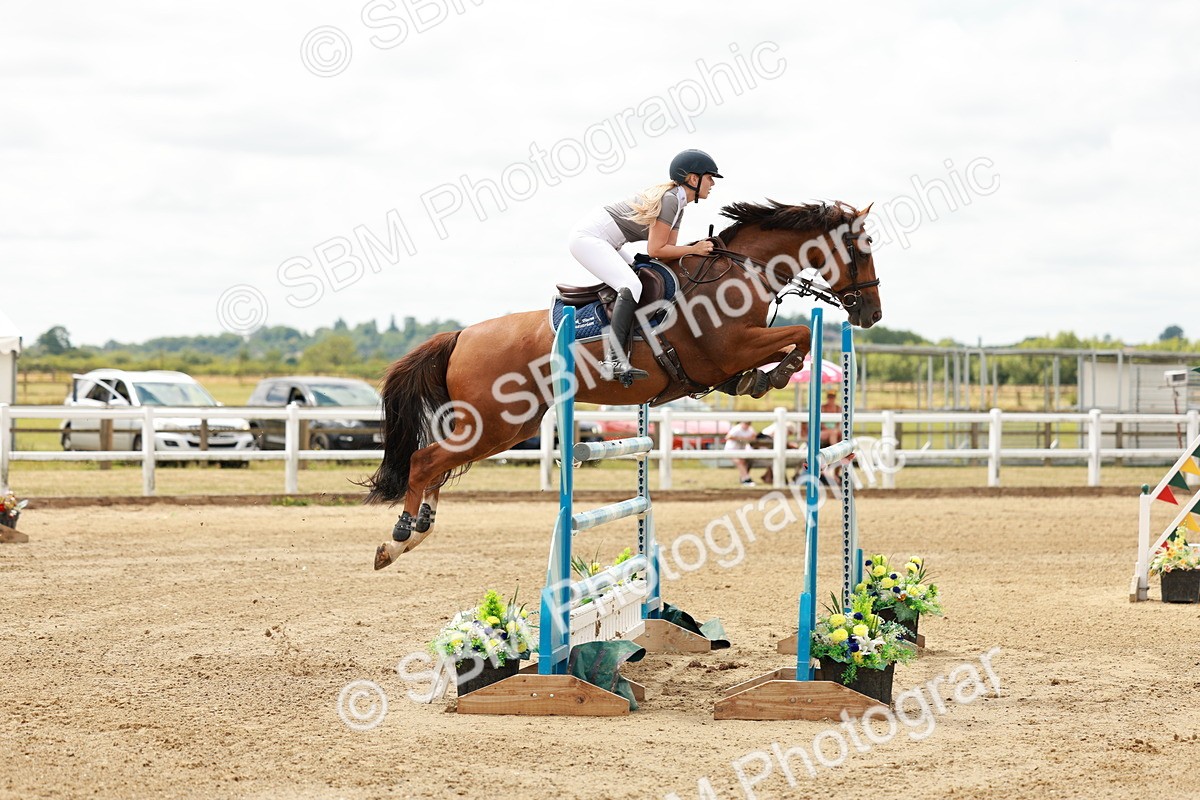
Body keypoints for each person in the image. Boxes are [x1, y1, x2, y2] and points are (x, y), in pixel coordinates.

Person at [567, 149, 723, 383]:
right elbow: (656, 250)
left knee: (642, 277)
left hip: (611, 241)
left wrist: (698, 249)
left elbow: (667, 252)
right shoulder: (670, 200)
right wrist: (694, 249)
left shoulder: (679, 204)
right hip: (590, 238)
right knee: (631, 284)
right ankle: (613, 359)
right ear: (693, 179)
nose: (712, 184)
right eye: (710, 178)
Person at [724, 421, 758, 486]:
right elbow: (728, 437)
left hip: (742, 450)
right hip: (731, 449)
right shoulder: (737, 429)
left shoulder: (750, 429)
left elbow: (754, 436)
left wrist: (748, 439)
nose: (747, 425)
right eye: (746, 423)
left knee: (744, 462)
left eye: (748, 423)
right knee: (739, 462)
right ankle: (746, 479)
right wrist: (741, 439)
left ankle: (744, 478)